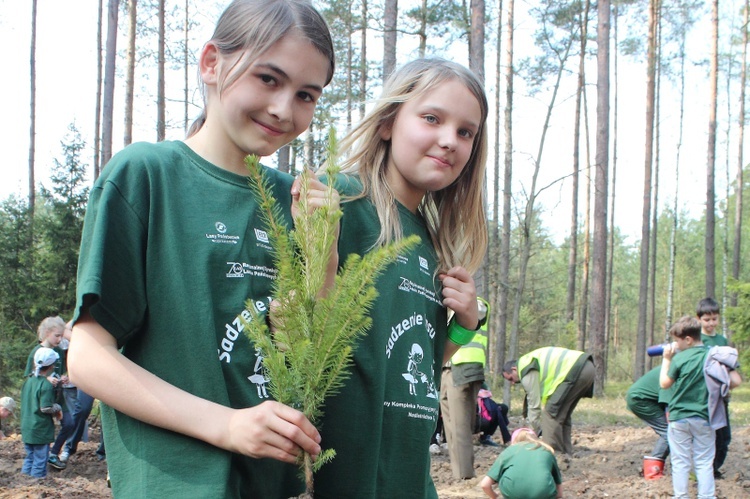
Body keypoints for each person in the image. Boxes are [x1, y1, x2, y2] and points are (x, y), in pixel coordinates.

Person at [66, 1, 336, 497]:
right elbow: (87, 354)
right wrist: (227, 425)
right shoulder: (147, 175)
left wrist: (323, 257)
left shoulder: (294, 200)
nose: (283, 108)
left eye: (306, 95)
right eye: (268, 79)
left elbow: (308, 357)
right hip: (174, 482)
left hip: (271, 486)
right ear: (211, 63)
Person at [313, 57, 489, 498]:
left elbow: (420, 358)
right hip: (339, 473)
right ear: (389, 121)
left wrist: (464, 326)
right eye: (432, 118)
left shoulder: (432, 243)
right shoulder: (337, 203)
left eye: (466, 132)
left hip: (408, 476)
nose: (449, 140)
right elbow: (294, 335)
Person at [659, 315, 741, 499]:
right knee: (704, 461)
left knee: (680, 462)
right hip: (704, 418)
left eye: (676, 341)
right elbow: (735, 381)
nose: (675, 344)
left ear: (687, 339)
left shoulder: (680, 359)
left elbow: (664, 383)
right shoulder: (711, 357)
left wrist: (666, 359)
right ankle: (707, 496)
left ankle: (680, 496)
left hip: (679, 418)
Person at [502, 347, 594, 454]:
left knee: (551, 413)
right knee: (562, 415)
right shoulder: (529, 361)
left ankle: (553, 454)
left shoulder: (524, 367)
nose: (512, 383)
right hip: (587, 366)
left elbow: (534, 406)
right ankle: (566, 453)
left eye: (510, 379)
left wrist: (531, 434)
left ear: (514, 369)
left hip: (575, 369)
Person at [440, 296, 490, 478]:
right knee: (451, 423)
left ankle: (464, 474)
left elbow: (476, 312)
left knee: (460, 423)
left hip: (463, 367)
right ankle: (459, 471)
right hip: (447, 367)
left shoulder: (474, 301)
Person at [22, 316, 75, 470]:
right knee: (42, 429)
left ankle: (53, 453)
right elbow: (29, 376)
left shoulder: (58, 350)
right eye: (56, 335)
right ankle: (41, 459)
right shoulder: (36, 352)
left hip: (58, 396)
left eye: (61, 335)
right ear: (46, 333)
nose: (59, 339)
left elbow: (60, 370)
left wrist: (63, 378)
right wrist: (46, 379)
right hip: (43, 398)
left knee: (70, 423)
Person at [696, 296, 731, 478]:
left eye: (714, 319)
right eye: (706, 320)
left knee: (724, 437)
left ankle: (714, 468)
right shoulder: (696, 339)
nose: (711, 323)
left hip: (720, 396)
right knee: (704, 435)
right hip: (702, 396)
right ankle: (702, 469)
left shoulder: (722, 340)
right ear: (699, 319)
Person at [479, 427, 563, 499]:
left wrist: (495, 496)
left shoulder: (510, 451)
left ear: (514, 442)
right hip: (543, 494)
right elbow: (559, 492)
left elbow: (485, 485)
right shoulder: (546, 450)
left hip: (514, 493)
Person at [21, 347, 63, 479]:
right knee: (40, 460)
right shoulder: (45, 385)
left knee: (30, 457)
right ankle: (35, 487)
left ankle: (24, 484)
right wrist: (57, 407)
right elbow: (45, 408)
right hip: (40, 428)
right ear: (51, 366)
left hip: (27, 426)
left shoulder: (28, 381)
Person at [625, 365, 672, 479]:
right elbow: (669, 402)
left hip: (649, 398)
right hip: (640, 399)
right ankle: (652, 472)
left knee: (672, 432)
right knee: (669, 432)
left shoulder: (679, 364)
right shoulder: (674, 370)